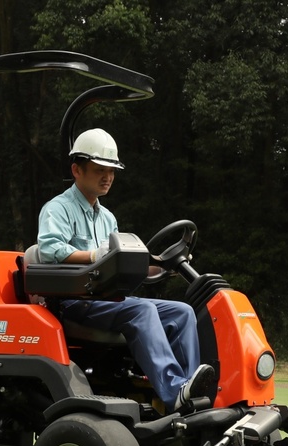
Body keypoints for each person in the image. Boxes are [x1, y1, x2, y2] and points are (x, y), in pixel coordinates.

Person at [37, 128, 214, 413]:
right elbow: (48, 250)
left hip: (109, 298)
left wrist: (156, 265)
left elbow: (119, 263)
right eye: (99, 170)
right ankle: (172, 390)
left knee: (182, 312)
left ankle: (188, 392)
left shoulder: (107, 218)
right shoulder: (57, 209)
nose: (108, 177)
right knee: (142, 311)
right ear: (76, 170)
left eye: (112, 171)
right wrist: (94, 255)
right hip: (75, 300)